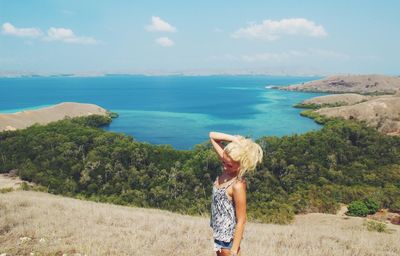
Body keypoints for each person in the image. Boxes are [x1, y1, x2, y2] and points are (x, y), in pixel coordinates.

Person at [209, 131, 263, 256]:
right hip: (218, 236)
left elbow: (242, 220)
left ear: (240, 165)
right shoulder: (228, 160)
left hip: (228, 243)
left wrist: (234, 250)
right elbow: (212, 135)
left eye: (229, 165)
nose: (225, 167)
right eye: (223, 162)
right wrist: (235, 140)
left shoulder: (237, 185)